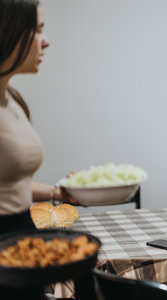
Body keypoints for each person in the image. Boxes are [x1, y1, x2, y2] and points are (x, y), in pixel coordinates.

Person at [0, 0, 78, 236]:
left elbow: (9, 184)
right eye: (37, 30)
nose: (46, 41)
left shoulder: (13, 100)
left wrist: (58, 193)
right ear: (9, 30)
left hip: (21, 235)